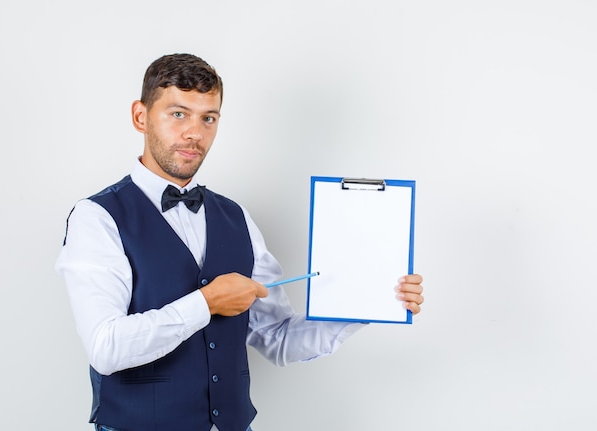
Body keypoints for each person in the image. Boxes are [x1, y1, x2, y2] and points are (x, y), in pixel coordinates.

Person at [55, 53, 424, 431]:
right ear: (140, 116)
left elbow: (278, 338)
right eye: (178, 114)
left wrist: (368, 301)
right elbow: (106, 347)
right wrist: (206, 302)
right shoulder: (97, 217)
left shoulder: (237, 219)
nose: (194, 134)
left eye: (208, 118)